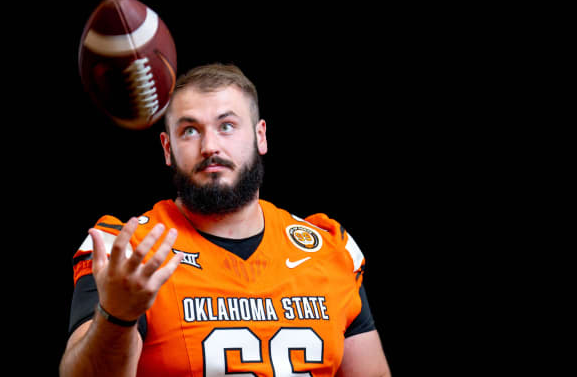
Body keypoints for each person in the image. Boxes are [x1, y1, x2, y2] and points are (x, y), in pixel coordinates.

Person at [59, 63, 391, 376]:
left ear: (261, 136)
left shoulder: (329, 249)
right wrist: (117, 315)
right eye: (189, 131)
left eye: (226, 126)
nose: (210, 146)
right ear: (167, 148)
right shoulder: (126, 250)